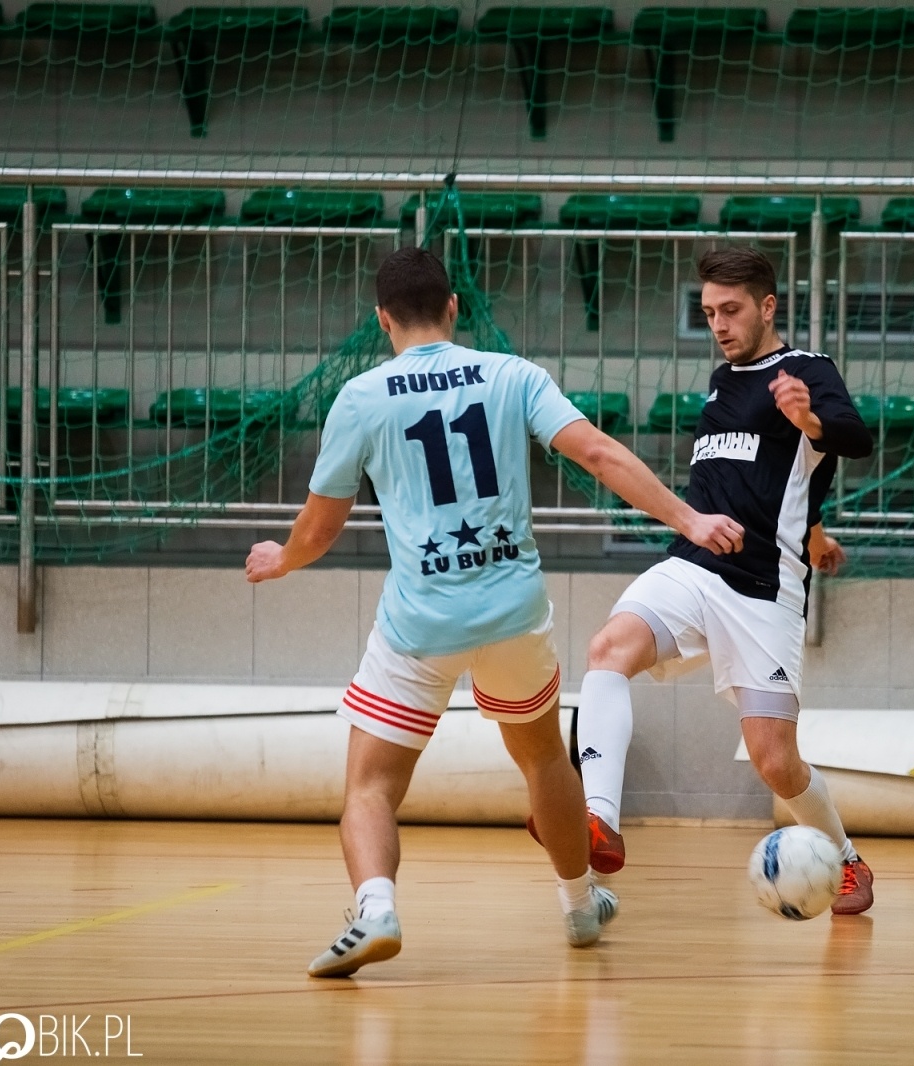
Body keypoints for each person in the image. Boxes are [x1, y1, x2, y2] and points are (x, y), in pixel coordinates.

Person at [245, 247, 744, 976]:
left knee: (372, 785)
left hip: (421, 625)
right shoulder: (513, 375)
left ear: (382, 319)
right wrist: (691, 520)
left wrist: (282, 558)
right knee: (544, 758)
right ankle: (579, 904)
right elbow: (599, 455)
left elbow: (319, 529)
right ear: (454, 307)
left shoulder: (361, 396)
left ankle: (377, 908)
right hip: (513, 615)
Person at [531, 246, 878, 915]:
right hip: (692, 567)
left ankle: (848, 862)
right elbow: (770, 479)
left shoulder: (805, 370)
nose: (718, 323)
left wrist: (811, 423)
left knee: (775, 761)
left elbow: (850, 441)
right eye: (709, 311)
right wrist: (813, 524)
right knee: (608, 650)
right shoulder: (721, 383)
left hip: (764, 591)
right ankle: (596, 817)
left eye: (731, 309)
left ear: (767, 306)